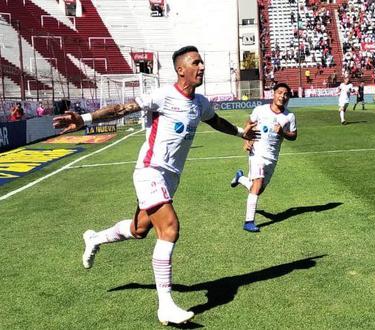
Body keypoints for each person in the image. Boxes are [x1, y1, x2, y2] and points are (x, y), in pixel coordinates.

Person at [52, 46, 257, 326]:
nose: (202, 67)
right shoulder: (163, 95)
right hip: (150, 172)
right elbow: (122, 109)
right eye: (195, 62)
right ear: (180, 69)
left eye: (202, 62)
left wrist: (239, 132)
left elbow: (216, 121)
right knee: (170, 227)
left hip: (170, 178)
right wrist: (85, 119)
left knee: (139, 229)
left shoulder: (200, 103)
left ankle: (94, 238)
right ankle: (166, 306)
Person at [230, 82, 297, 232]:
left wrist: (283, 133)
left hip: (272, 157)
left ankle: (240, 178)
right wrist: (247, 141)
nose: (283, 96)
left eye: (286, 94)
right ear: (273, 94)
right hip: (257, 152)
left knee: (258, 190)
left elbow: (294, 136)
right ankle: (249, 222)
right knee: (258, 183)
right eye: (280, 92)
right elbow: (249, 124)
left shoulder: (290, 116)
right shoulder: (260, 110)